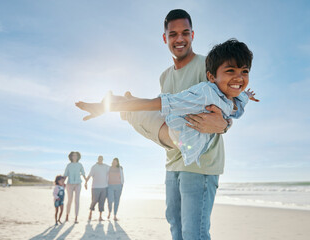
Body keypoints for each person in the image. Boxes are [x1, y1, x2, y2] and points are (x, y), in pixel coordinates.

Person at [76, 9, 246, 240]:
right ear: (165, 38)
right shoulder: (165, 76)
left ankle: (124, 104)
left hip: (200, 163)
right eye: (173, 34)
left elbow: (230, 100)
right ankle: (123, 104)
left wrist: (224, 125)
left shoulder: (207, 64)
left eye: (185, 33)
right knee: (175, 227)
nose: (180, 39)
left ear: (192, 35)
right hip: (173, 160)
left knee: (193, 233)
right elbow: (164, 106)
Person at [76, 39, 259, 167]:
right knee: (134, 114)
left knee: (135, 109)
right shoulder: (205, 93)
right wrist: (108, 108)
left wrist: (246, 96)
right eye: (230, 70)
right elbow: (162, 103)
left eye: (244, 71)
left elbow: (239, 104)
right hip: (170, 133)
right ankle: (117, 103)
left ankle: (125, 100)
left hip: (175, 126)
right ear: (211, 76)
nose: (239, 77)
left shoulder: (234, 97)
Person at [85, 155, 110, 221]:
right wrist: (86, 182)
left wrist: (119, 168)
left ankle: (100, 216)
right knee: (94, 201)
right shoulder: (94, 167)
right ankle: (90, 212)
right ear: (98, 159)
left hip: (104, 187)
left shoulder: (106, 166)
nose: (100, 159)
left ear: (102, 159)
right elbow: (89, 175)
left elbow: (113, 169)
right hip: (95, 187)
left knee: (102, 202)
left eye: (101, 158)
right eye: (99, 158)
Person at [63, 151, 86, 223]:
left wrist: (86, 182)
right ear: (71, 156)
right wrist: (62, 183)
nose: (74, 157)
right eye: (73, 155)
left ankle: (76, 217)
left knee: (77, 201)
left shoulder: (80, 165)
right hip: (69, 184)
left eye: (76, 155)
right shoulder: (69, 165)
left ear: (78, 157)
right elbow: (65, 174)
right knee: (69, 200)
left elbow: (83, 173)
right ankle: (67, 215)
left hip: (78, 184)